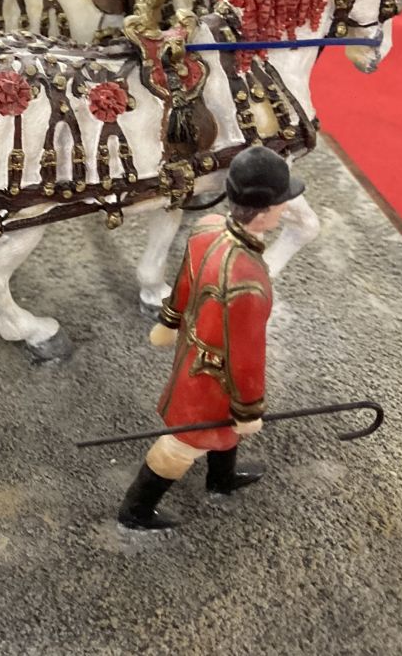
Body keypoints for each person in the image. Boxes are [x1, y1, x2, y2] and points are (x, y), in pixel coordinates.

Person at [117, 146, 304, 531]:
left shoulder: (208, 228)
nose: (286, 209)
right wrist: (249, 408)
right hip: (212, 378)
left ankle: (220, 479)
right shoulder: (247, 282)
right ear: (265, 212)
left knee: (223, 427)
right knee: (183, 443)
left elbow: (185, 280)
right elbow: (247, 357)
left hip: (194, 353)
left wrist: (169, 321)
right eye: (282, 204)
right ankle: (136, 509)